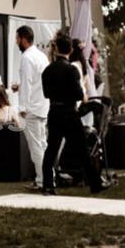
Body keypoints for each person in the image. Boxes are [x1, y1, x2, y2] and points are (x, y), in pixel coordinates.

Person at [40, 33, 99, 195]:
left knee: (51, 149)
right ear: (70, 50)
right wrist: (83, 95)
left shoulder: (47, 71)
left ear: (56, 48)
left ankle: (47, 185)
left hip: (54, 111)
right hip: (69, 112)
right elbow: (79, 94)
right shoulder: (72, 69)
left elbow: (46, 93)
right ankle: (95, 183)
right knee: (82, 149)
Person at [12, 25, 49, 189]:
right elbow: (38, 82)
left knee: (36, 148)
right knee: (43, 145)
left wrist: (22, 108)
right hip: (43, 106)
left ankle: (42, 180)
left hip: (32, 108)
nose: (16, 41)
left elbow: (27, 83)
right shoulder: (42, 56)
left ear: (23, 39)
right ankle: (48, 177)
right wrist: (19, 87)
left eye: (17, 38)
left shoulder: (27, 57)